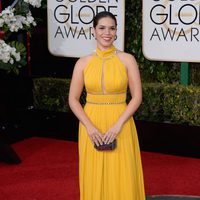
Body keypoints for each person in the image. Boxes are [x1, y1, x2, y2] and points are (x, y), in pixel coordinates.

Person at [68, 11, 145, 200]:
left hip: (122, 122)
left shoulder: (127, 59)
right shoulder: (82, 63)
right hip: (90, 123)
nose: (107, 33)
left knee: (123, 172)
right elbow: (73, 99)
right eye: (102, 28)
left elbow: (137, 97)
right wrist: (90, 127)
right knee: (93, 172)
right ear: (93, 31)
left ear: (116, 32)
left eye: (111, 28)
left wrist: (118, 125)